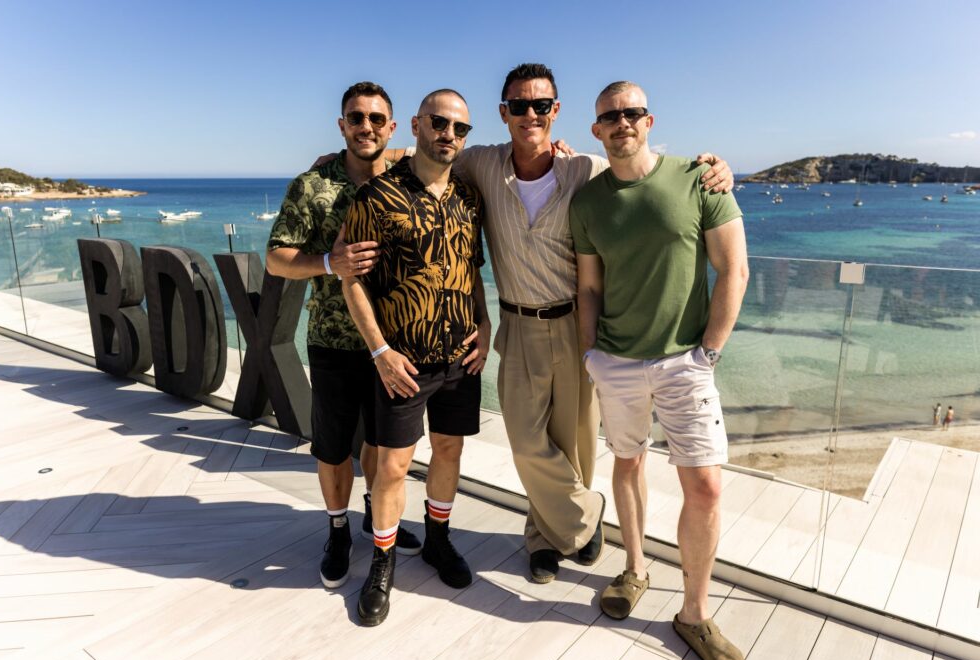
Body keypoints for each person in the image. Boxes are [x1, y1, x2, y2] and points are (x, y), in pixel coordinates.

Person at [448, 64, 735, 583]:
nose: (529, 114)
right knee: (526, 442)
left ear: (556, 112)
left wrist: (717, 170)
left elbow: (644, 178)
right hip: (516, 321)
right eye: (518, 106)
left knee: (575, 443)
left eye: (540, 106)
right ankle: (586, 517)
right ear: (504, 113)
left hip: (577, 322)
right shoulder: (480, 164)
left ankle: (544, 540)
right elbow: (427, 155)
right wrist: (351, 158)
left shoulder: (586, 169)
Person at [571, 81, 748, 660]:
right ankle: (636, 569)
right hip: (615, 363)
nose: (621, 122)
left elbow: (734, 270)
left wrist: (709, 354)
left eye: (632, 113)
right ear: (597, 130)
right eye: (609, 116)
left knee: (706, 488)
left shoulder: (701, 179)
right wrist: (591, 354)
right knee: (627, 464)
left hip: (687, 364)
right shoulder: (588, 202)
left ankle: (694, 614)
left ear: (648, 121)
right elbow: (589, 287)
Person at [265, 82, 422, 591]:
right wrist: (328, 263)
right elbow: (275, 258)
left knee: (380, 444)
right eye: (356, 118)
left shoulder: (406, 178)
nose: (367, 127)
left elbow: (446, 149)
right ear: (342, 126)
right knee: (332, 450)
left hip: (395, 343)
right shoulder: (313, 186)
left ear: (391, 127)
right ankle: (337, 531)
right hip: (334, 339)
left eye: (377, 119)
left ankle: (379, 520)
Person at [342, 89, 489, 626]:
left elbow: (472, 271)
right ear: (417, 125)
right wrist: (379, 350)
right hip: (401, 362)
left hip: (460, 357)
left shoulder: (469, 199)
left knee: (449, 453)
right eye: (439, 122)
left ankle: (438, 541)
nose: (449, 133)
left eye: (459, 128)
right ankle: (382, 562)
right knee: (394, 466)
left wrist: (486, 324)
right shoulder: (376, 198)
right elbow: (350, 281)